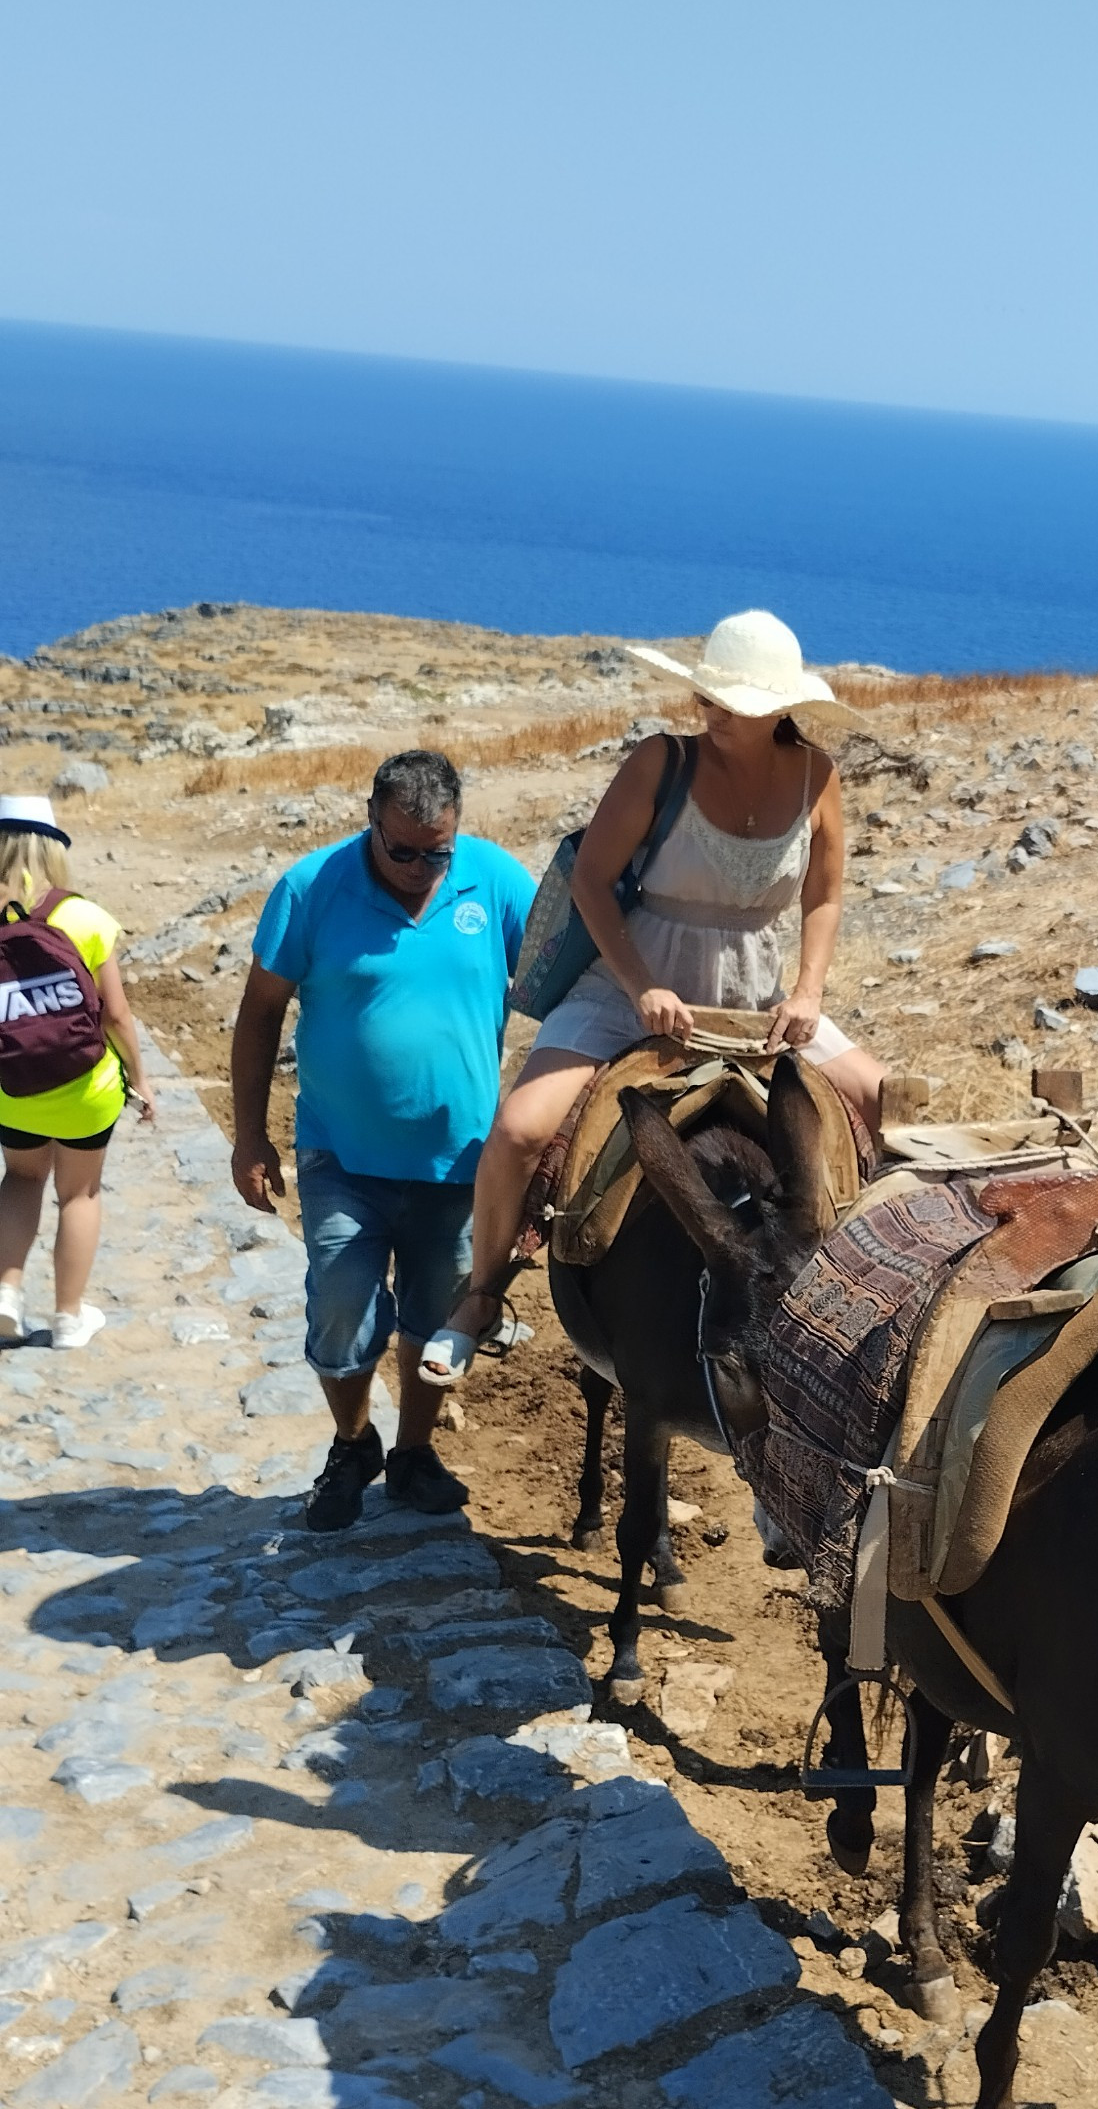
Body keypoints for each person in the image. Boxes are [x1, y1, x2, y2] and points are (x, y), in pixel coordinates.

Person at [422, 608, 883, 1382]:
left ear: (779, 708)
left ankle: (863, 1293)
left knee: (883, 1104)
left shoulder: (818, 778)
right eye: (710, 698)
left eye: (735, 703)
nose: (715, 714)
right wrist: (642, 987)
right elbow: (595, 884)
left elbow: (826, 897)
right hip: (635, 977)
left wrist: (807, 991)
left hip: (756, 997)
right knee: (519, 1130)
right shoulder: (658, 764)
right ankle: (480, 1298)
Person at [232, 749, 535, 1531]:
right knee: (341, 1309)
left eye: (437, 851)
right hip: (343, 1156)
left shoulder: (495, 882)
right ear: (372, 818)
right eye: (401, 849)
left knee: (441, 1318)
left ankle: (412, 1456)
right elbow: (261, 1011)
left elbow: (563, 983)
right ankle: (352, 1441)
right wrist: (250, 1136)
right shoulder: (312, 888)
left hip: (461, 1162)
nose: (419, 866)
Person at [0, 793, 156, 1351]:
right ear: (52, 849)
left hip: (11, 1088)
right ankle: (68, 1318)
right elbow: (115, 1013)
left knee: (20, 1179)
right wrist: (141, 1078)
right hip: (84, 1087)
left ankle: (5, 1294)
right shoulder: (83, 916)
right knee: (79, 1194)